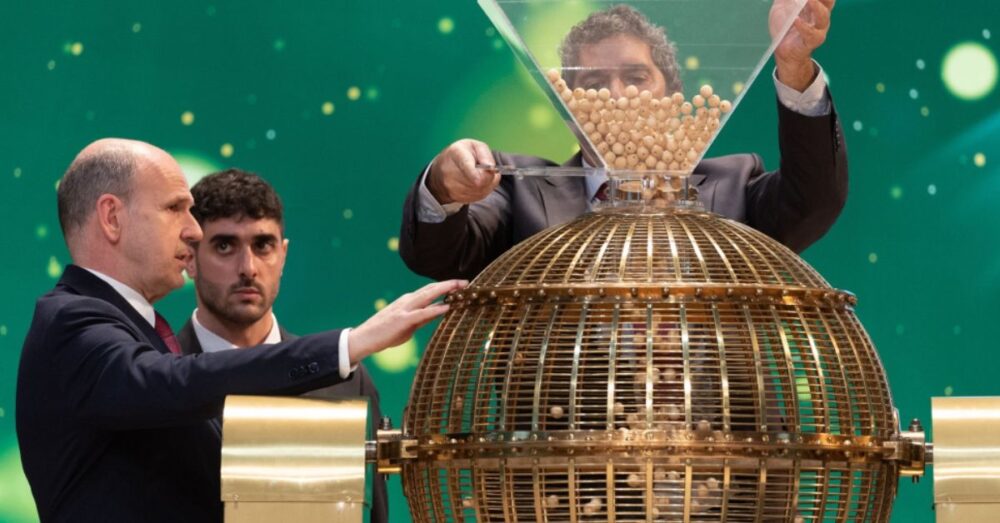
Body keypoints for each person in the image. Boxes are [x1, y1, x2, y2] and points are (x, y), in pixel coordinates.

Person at [16, 138, 464, 522]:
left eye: (263, 245)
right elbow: (172, 384)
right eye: (174, 209)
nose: (193, 231)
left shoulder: (132, 331)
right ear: (112, 217)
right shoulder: (72, 322)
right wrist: (349, 344)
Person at [400, 1, 846, 281]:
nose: (617, 96)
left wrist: (793, 65)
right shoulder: (520, 194)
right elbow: (438, 257)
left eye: (635, 77)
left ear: (673, 93)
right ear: (570, 106)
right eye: (594, 83)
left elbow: (813, 201)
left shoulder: (734, 186)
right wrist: (443, 186)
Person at [176, 168, 389, 523]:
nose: (248, 268)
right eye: (225, 246)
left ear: (284, 255)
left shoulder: (347, 380)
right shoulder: (156, 381)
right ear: (189, 258)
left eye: (263, 246)